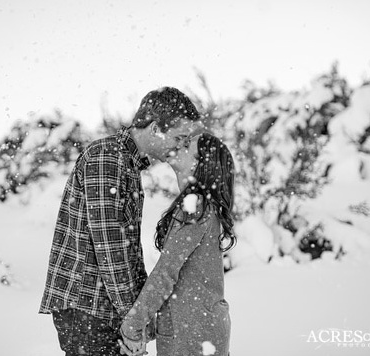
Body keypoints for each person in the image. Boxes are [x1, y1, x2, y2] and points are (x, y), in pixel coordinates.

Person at [39, 87, 203, 356]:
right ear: (154, 128)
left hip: (102, 308)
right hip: (89, 310)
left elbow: (126, 252)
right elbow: (110, 248)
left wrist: (137, 313)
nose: (179, 146)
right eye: (178, 137)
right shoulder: (108, 158)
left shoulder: (125, 163)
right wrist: (134, 319)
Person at [120, 133, 236, 356]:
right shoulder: (201, 205)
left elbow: (166, 272)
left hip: (194, 332)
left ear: (200, 163)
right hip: (200, 327)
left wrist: (132, 324)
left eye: (186, 147)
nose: (177, 147)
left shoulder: (196, 206)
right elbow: (188, 278)